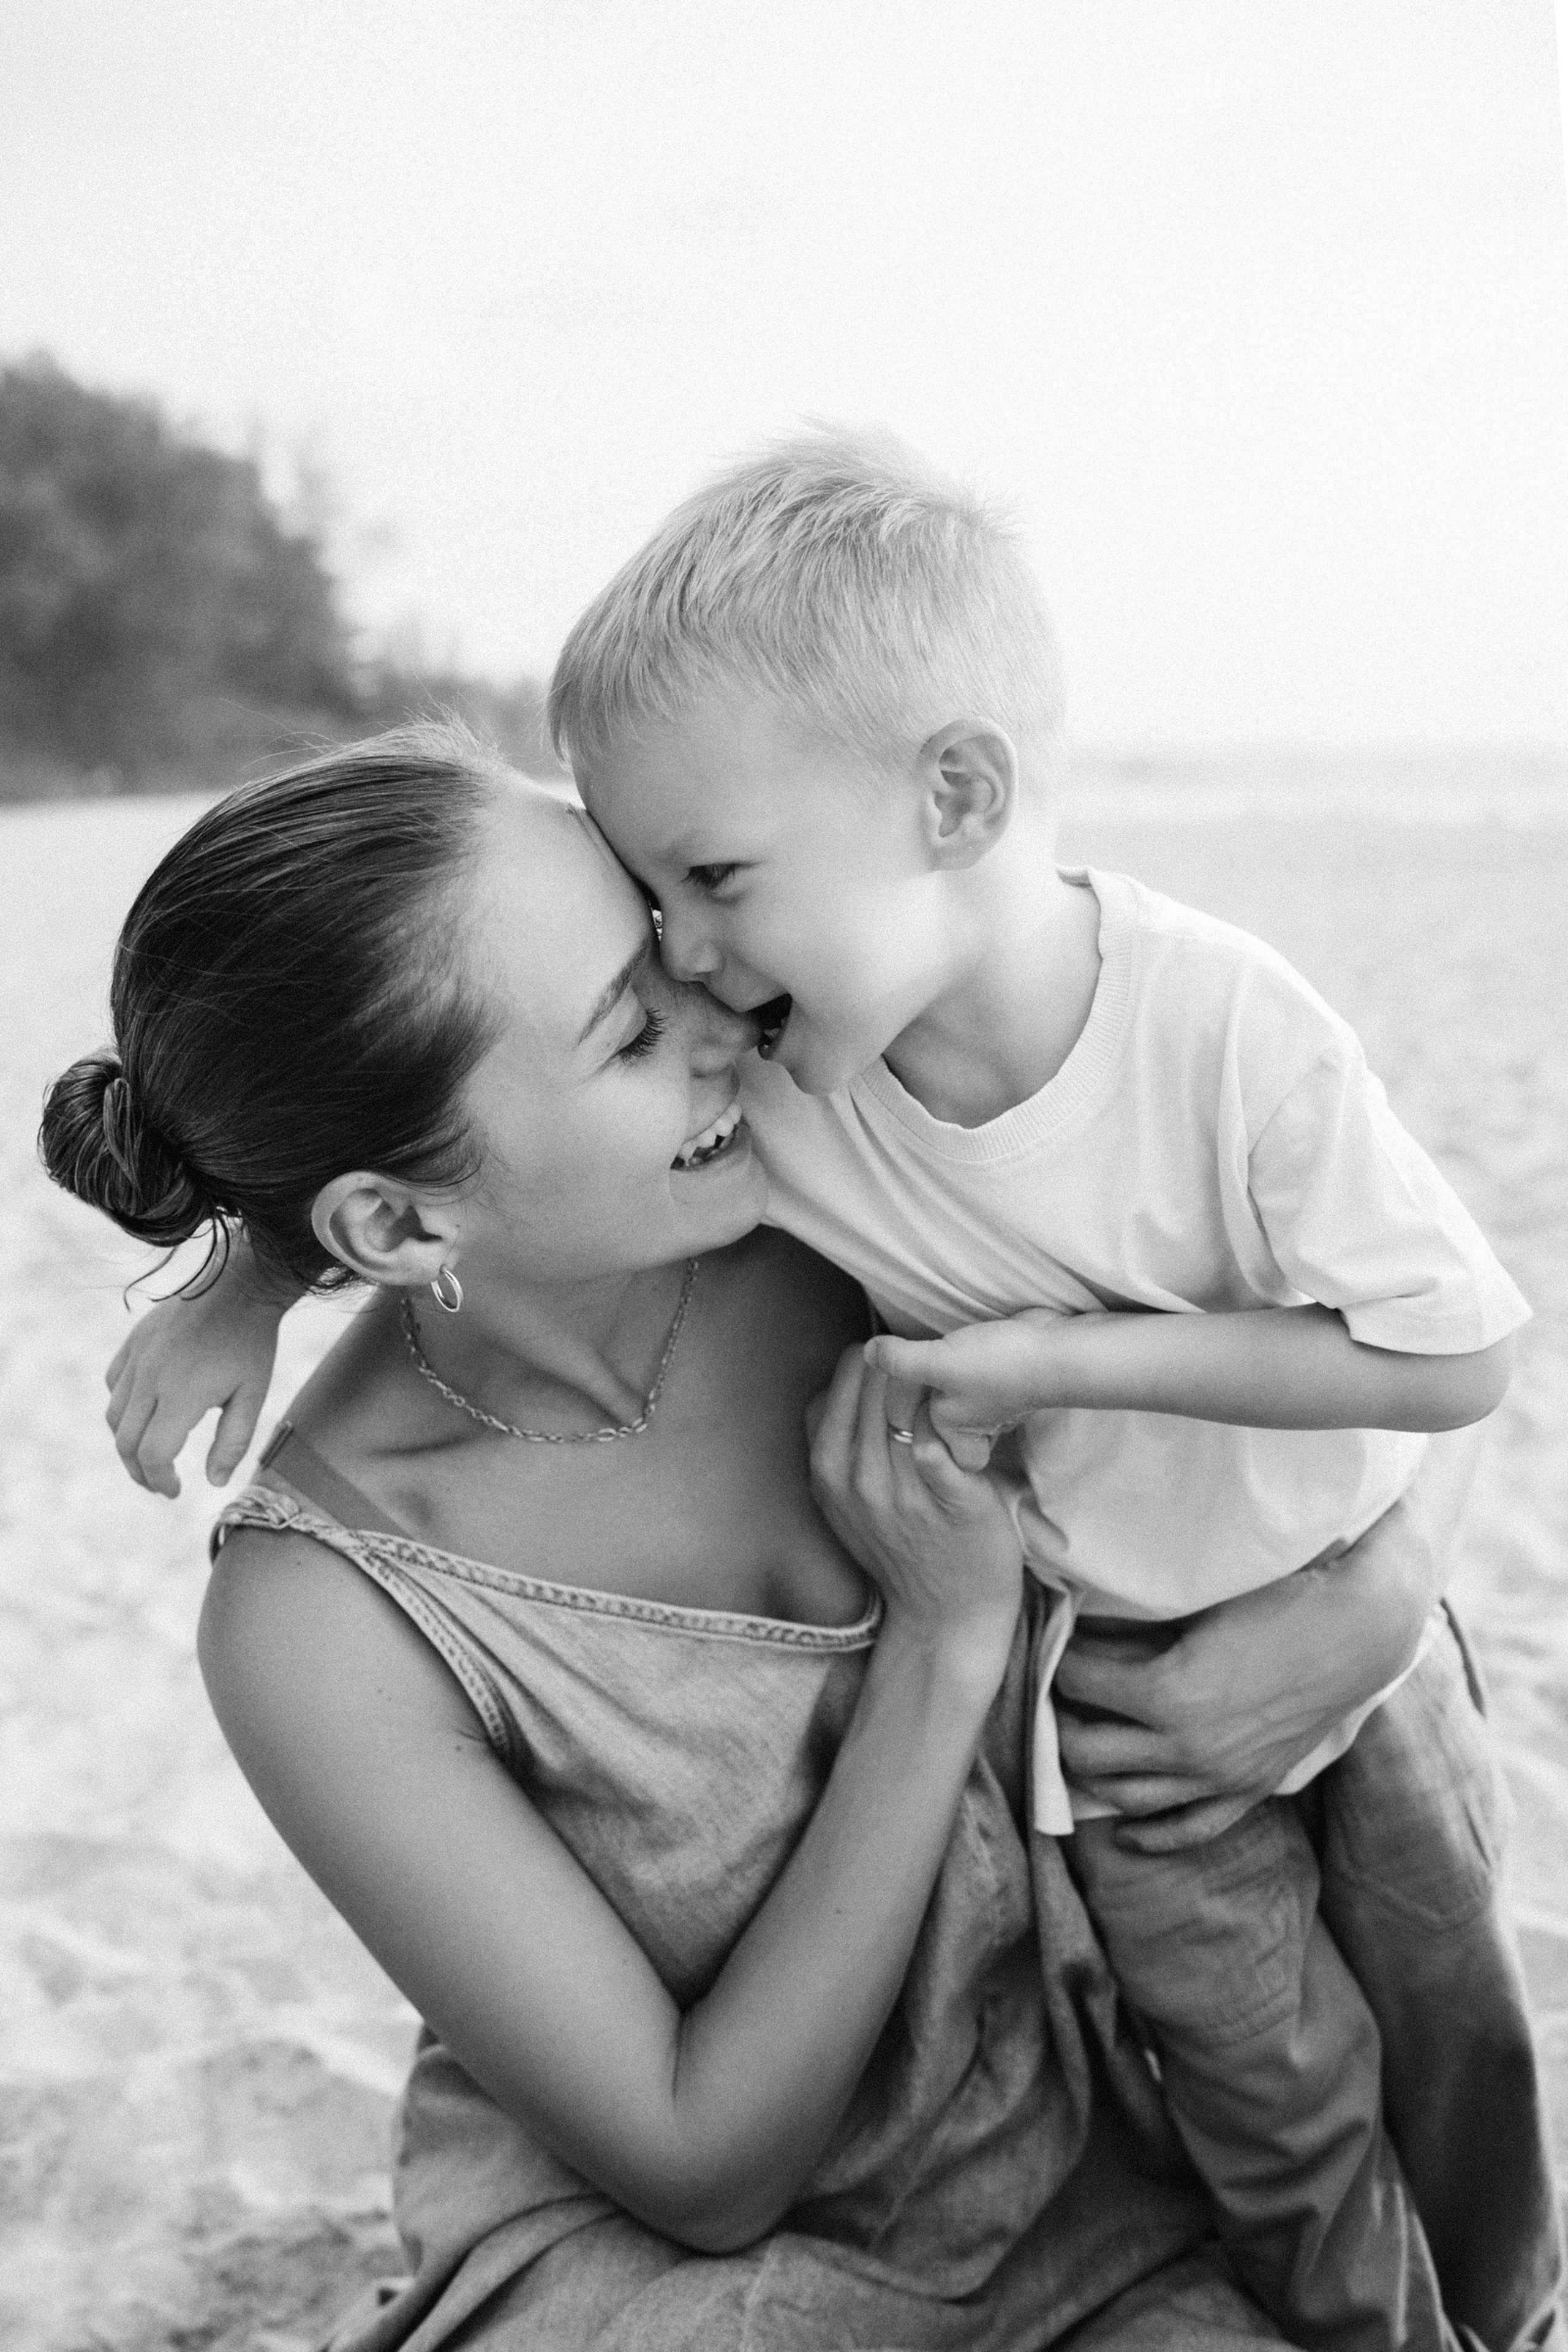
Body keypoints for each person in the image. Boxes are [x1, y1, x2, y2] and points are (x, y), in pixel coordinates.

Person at [92, 443, 1562, 2348]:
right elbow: (703, 2172)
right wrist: (947, 1644)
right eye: (636, 1019)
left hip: (1113, 2120)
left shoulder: (816, 1177)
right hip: (712, 2252)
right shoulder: (321, 1611)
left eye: (678, 923)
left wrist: (1366, 1610)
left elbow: (1372, 1332)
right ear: (395, 1210)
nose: (724, 1012)